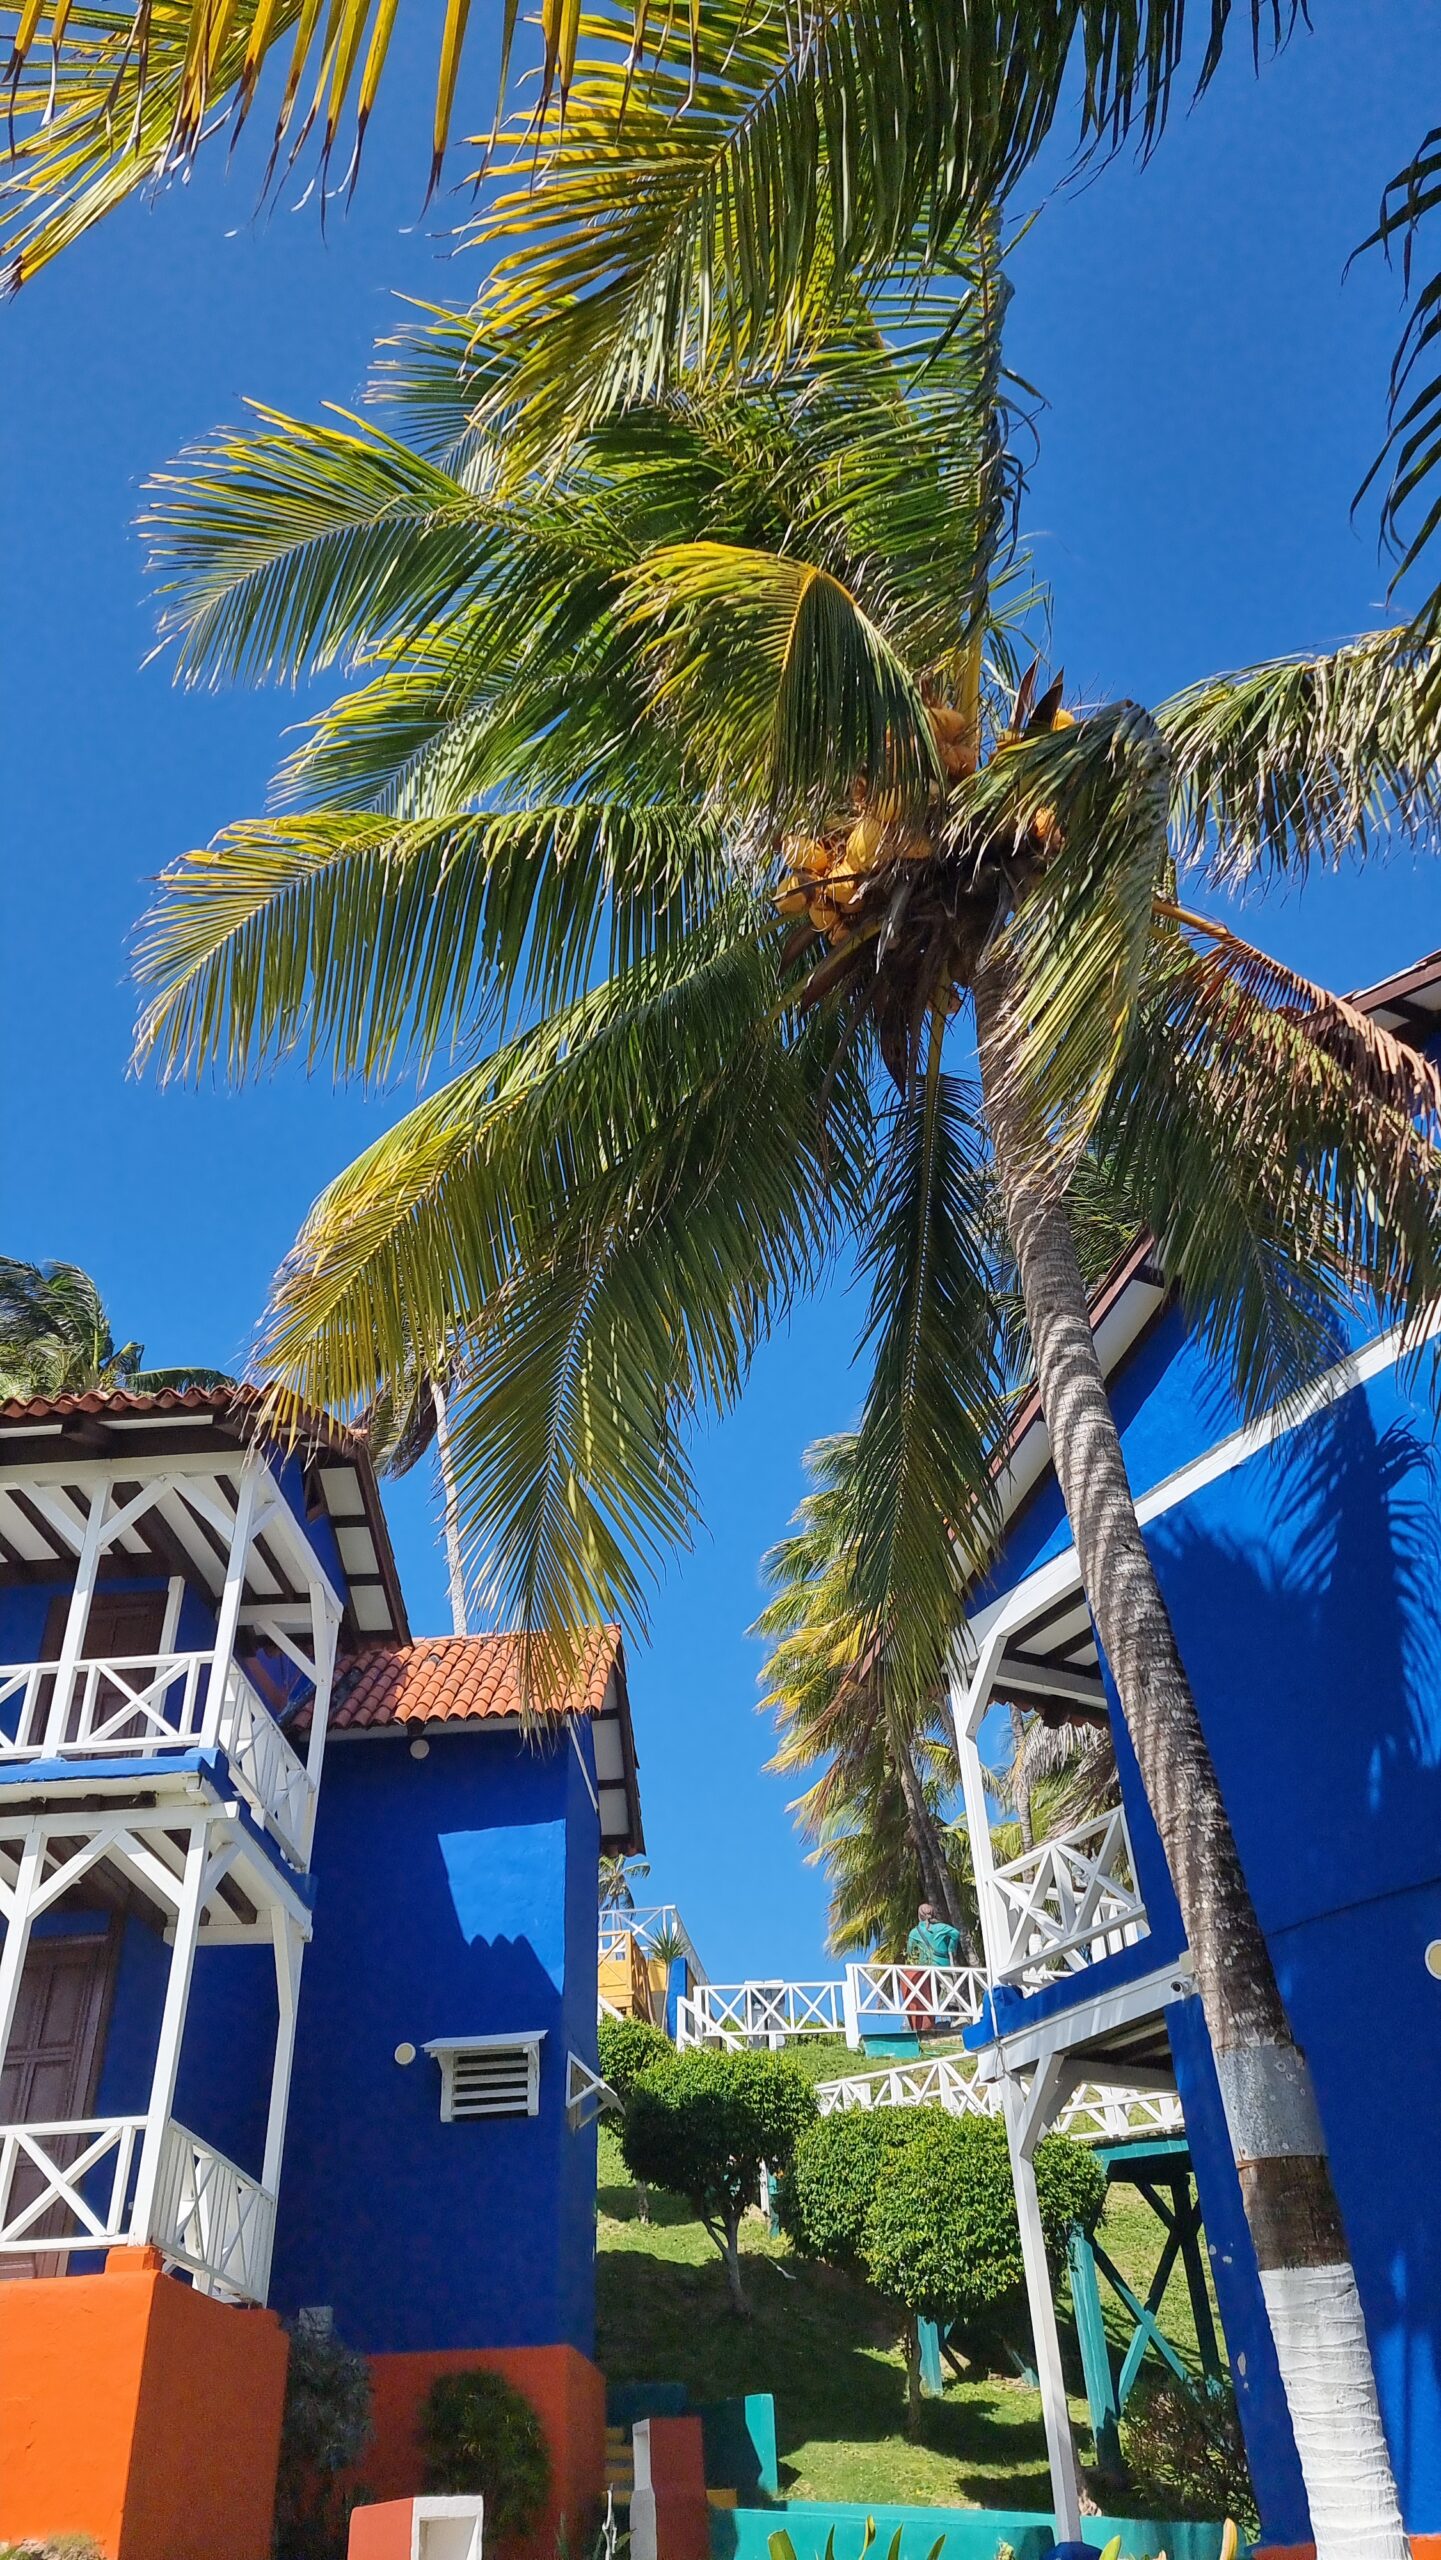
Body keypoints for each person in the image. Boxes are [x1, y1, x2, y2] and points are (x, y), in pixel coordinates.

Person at [900, 1901, 964, 2035]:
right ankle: (955, 2018)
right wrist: (950, 1948)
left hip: (924, 1969)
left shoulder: (914, 1932)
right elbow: (955, 1933)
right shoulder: (941, 1927)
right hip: (942, 1964)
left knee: (925, 1995)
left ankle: (925, 2024)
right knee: (949, 1989)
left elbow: (911, 1952)